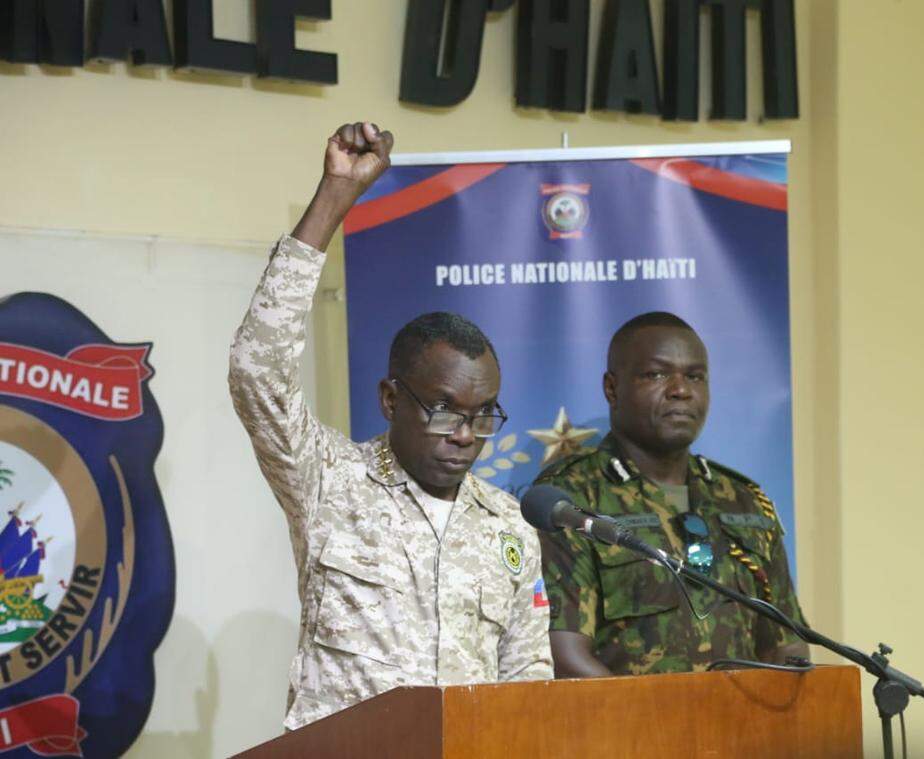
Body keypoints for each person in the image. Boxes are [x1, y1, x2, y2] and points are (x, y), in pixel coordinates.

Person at [229, 122, 552, 729]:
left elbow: (527, 681)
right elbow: (257, 371)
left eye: (483, 416)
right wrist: (335, 195)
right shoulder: (328, 480)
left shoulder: (509, 526)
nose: (465, 435)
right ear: (389, 398)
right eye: (445, 411)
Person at [535, 312, 809, 677]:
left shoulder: (742, 498)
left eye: (695, 376)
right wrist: (659, 729)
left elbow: (786, 644)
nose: (681, 389)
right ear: (612, 389)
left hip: (744, 729)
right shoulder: (571, 499)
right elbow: (565, 656)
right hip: (625, 730)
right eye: (657, 374)